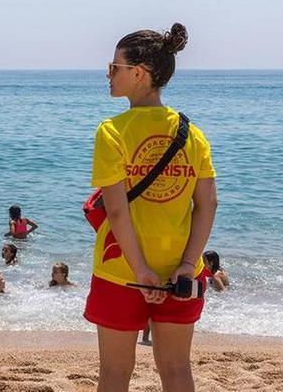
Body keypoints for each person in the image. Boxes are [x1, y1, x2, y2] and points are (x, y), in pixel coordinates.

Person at [83, 23, 217, 392]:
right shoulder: (192, 133)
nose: (108, 75)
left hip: (120, 269)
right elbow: (206, 205)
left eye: (115, 68)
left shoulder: (112, 131)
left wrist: (141, 270)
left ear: (139, 73)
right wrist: (188, 265)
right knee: (176, 370)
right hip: (181, 272)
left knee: (114, 373)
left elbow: (117, 212)